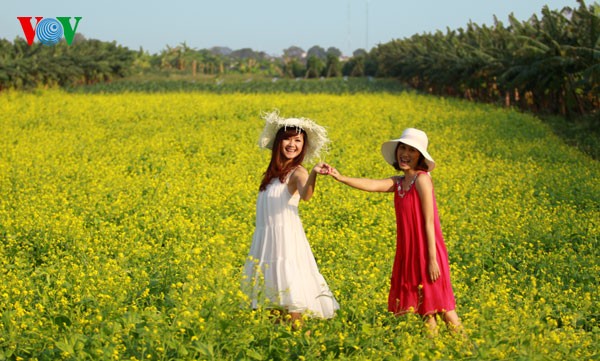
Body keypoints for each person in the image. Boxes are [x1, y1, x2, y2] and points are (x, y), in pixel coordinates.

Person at [322, 128, 462, 334]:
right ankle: (437, 351)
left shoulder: (422, 179)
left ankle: (468, 349)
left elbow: (429, 222)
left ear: (420, 156)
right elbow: (372, 185)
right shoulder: (398, 182)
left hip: (428, 252)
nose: (405, 153)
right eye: (402, 148)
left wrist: (432, 259)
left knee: (444, 309)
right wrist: (340, 177)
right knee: (425, 311)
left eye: (411, 150)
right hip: (411, 253)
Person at [242, 111, 339, 328]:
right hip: (266, 242)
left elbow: (306, 195)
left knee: (292, 299)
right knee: (272, 304)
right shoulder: (272, 175)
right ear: (278, 142)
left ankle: (300, 343)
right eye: (288, 138)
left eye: (298, 140)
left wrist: (313, 173)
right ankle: (281, 346)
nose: (292, 144)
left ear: (303, 146)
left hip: (286, 243)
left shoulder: (298, 172)